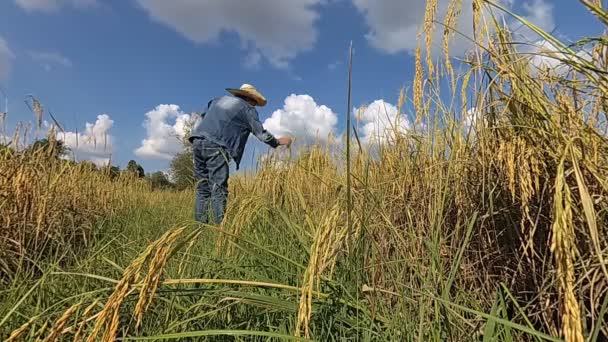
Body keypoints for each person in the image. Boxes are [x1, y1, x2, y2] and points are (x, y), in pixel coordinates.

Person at [188, 84, 292, 224]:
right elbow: (260, 134)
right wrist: (278, 142)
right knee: (218, 188)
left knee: (203, 188)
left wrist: (196, 138)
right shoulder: (246, 108)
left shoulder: (217, 100)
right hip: (217, 145)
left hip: (197, 141)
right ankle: (220, 229)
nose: (255, 106)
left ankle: (199, 228)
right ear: (250, 99)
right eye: (255, 103)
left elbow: (201, 118)